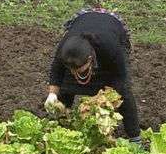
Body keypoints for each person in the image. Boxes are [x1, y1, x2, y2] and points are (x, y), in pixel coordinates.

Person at [44, 8, 141, 143]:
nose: (73, 72)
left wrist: (104, 101)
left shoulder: (110, 47)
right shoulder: (66, 46)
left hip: (111, 28)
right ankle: (59, 131)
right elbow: (56, 70)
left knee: (124, 94)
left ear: (89, 59)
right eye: (70, 68)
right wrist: (53, 95)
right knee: (65, 89)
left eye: (78, 68)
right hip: (83, 21)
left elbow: (121, 78)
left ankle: (135, 138)